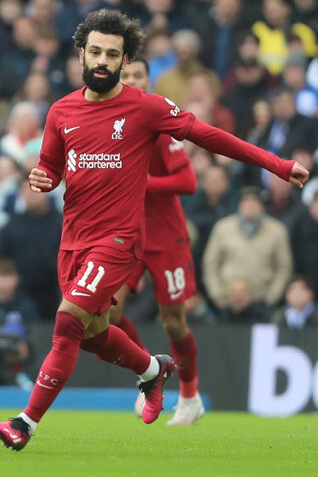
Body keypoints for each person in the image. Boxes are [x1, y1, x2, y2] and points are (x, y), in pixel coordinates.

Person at [0, 9, 308, 451]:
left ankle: (25, 422)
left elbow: (210, 136)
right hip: (73, 239)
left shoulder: (146, 108)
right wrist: (43, 177)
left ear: (126, 61)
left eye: (113, 55)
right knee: (96, 335)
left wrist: (278, 164)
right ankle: (153, 371)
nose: (102, 61)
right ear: (81, 53)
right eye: (96, 52)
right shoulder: (61, 111)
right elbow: (51, 167)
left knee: (67, 322)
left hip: (118, 240)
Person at [110, 55, 204, 425]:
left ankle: (191, 395)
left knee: (173, 322)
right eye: (126, 75)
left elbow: (188, 183)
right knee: (108, 314)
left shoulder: (161, 127)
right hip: (126, 232)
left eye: (138, 75)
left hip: (165, 235)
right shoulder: (112, 125)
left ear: (148, 81)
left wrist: (141, 183)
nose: (132, 80)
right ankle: (151, 374)